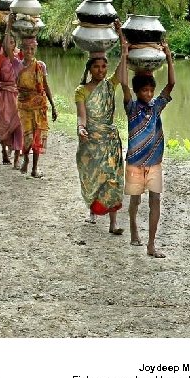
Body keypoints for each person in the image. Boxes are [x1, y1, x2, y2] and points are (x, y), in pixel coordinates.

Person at [119, 42, 175, 258]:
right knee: (135, 200)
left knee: (155, 200)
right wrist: (125, 54)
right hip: (135, 161)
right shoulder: (131, 108)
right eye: (145, 90)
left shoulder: (156, 106)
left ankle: (151, 243)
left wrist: (169, 56)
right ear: (137, 91)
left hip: (154, 162)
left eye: (151, 90)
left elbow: (171, 84)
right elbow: (124, 83)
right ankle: (133, 225)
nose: (149, 93)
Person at [74, 20, 129, 235]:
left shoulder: (110, 85)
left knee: (113, 180)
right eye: (96, 66)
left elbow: (122, 70)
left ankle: (113, 223)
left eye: (104, 66)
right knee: (94, 177)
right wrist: (81, 128)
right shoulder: (82, 91)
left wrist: (122, 41)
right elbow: (82, 115)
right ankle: (93, 211)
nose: (101, 70)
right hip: (92, 142)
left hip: (110, 140)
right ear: (90, 68)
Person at [8, 13, 57, 178]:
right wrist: (9, 25)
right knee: (28, 136)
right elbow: (7, 48)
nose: (29, 51)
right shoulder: (16, 65)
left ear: (35, 49)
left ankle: (34, 168)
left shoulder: (40, 66)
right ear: (21, 50)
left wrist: (53, 105)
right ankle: (26, 160)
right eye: (26, 49)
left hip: (40, 105)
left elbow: (46, 86)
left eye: (32, 49)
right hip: (24, 106)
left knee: (38, 136)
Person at [0, 11, 23, 167]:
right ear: (2, 45)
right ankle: (4, 150)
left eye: (13, 43)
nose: (11, 45)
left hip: (18, 95)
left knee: (19, 123)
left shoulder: (19, 57)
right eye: (8, 43)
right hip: (5, 95)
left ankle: (15, 151)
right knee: (5, 122)